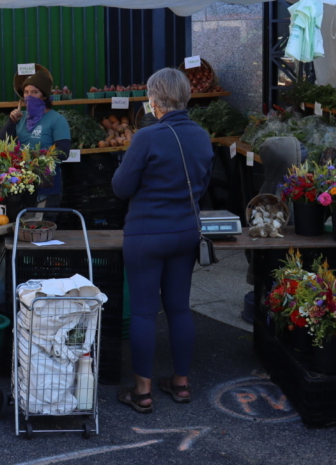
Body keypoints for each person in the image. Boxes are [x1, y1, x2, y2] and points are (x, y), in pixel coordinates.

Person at [111, 68, 214, 414]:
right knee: (179, 307)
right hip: (186, 232)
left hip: (146, 235)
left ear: (154, 100)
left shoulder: (147, 136)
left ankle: (142, 392)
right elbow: (203, 184)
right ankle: (181, 384)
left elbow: (121, 188)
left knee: (143, 312)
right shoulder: (201, 136)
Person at [0, 67, 70, 221]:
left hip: (46, 187)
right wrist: (10, 122)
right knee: (22, 231)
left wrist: (36, 159)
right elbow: (2, 143)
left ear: (44, 96)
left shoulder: (57, 120)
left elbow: (64, 152)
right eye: (26, 92)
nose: (29, 96)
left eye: (35, 92)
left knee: (40, 232)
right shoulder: (20, 119)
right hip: (22, 187)